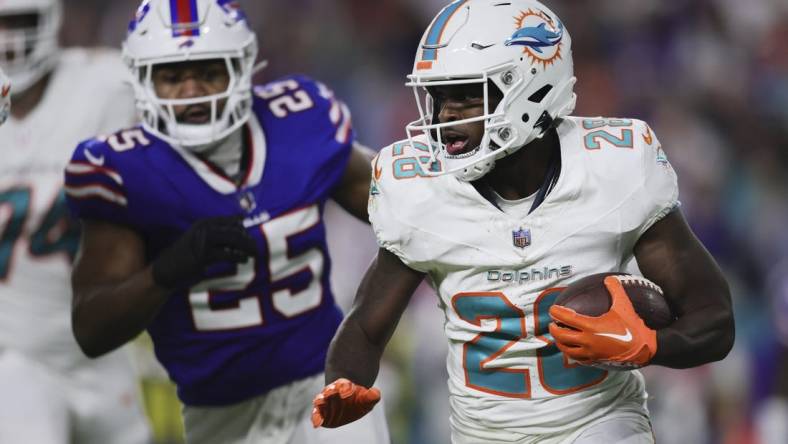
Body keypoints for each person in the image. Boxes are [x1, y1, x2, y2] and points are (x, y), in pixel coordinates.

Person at [312, 1, 735, 443]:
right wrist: (345, 381)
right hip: (483, 435)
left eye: (466, 94)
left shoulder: (616, 169)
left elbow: (715, 318)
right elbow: (365, 326)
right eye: (439, 97)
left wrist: (650, 346)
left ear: (530, 87)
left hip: (601, 424)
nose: (446, 116)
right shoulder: (422, 192)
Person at [64, 0, 389, 443]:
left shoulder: (300, 119)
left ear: (242, 68)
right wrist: (165, 272)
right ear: (144, 79)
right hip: (222, 415)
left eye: (209, 71)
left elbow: (396, 208)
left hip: (328, 378)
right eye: (172, 76)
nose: (192, 90)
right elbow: (91, 329)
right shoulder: (122, 170)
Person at [0, 1, 151, 442]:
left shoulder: (107, 87)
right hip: (18, 359)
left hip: (100, 352)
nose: (9, 39)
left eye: (19, 22)